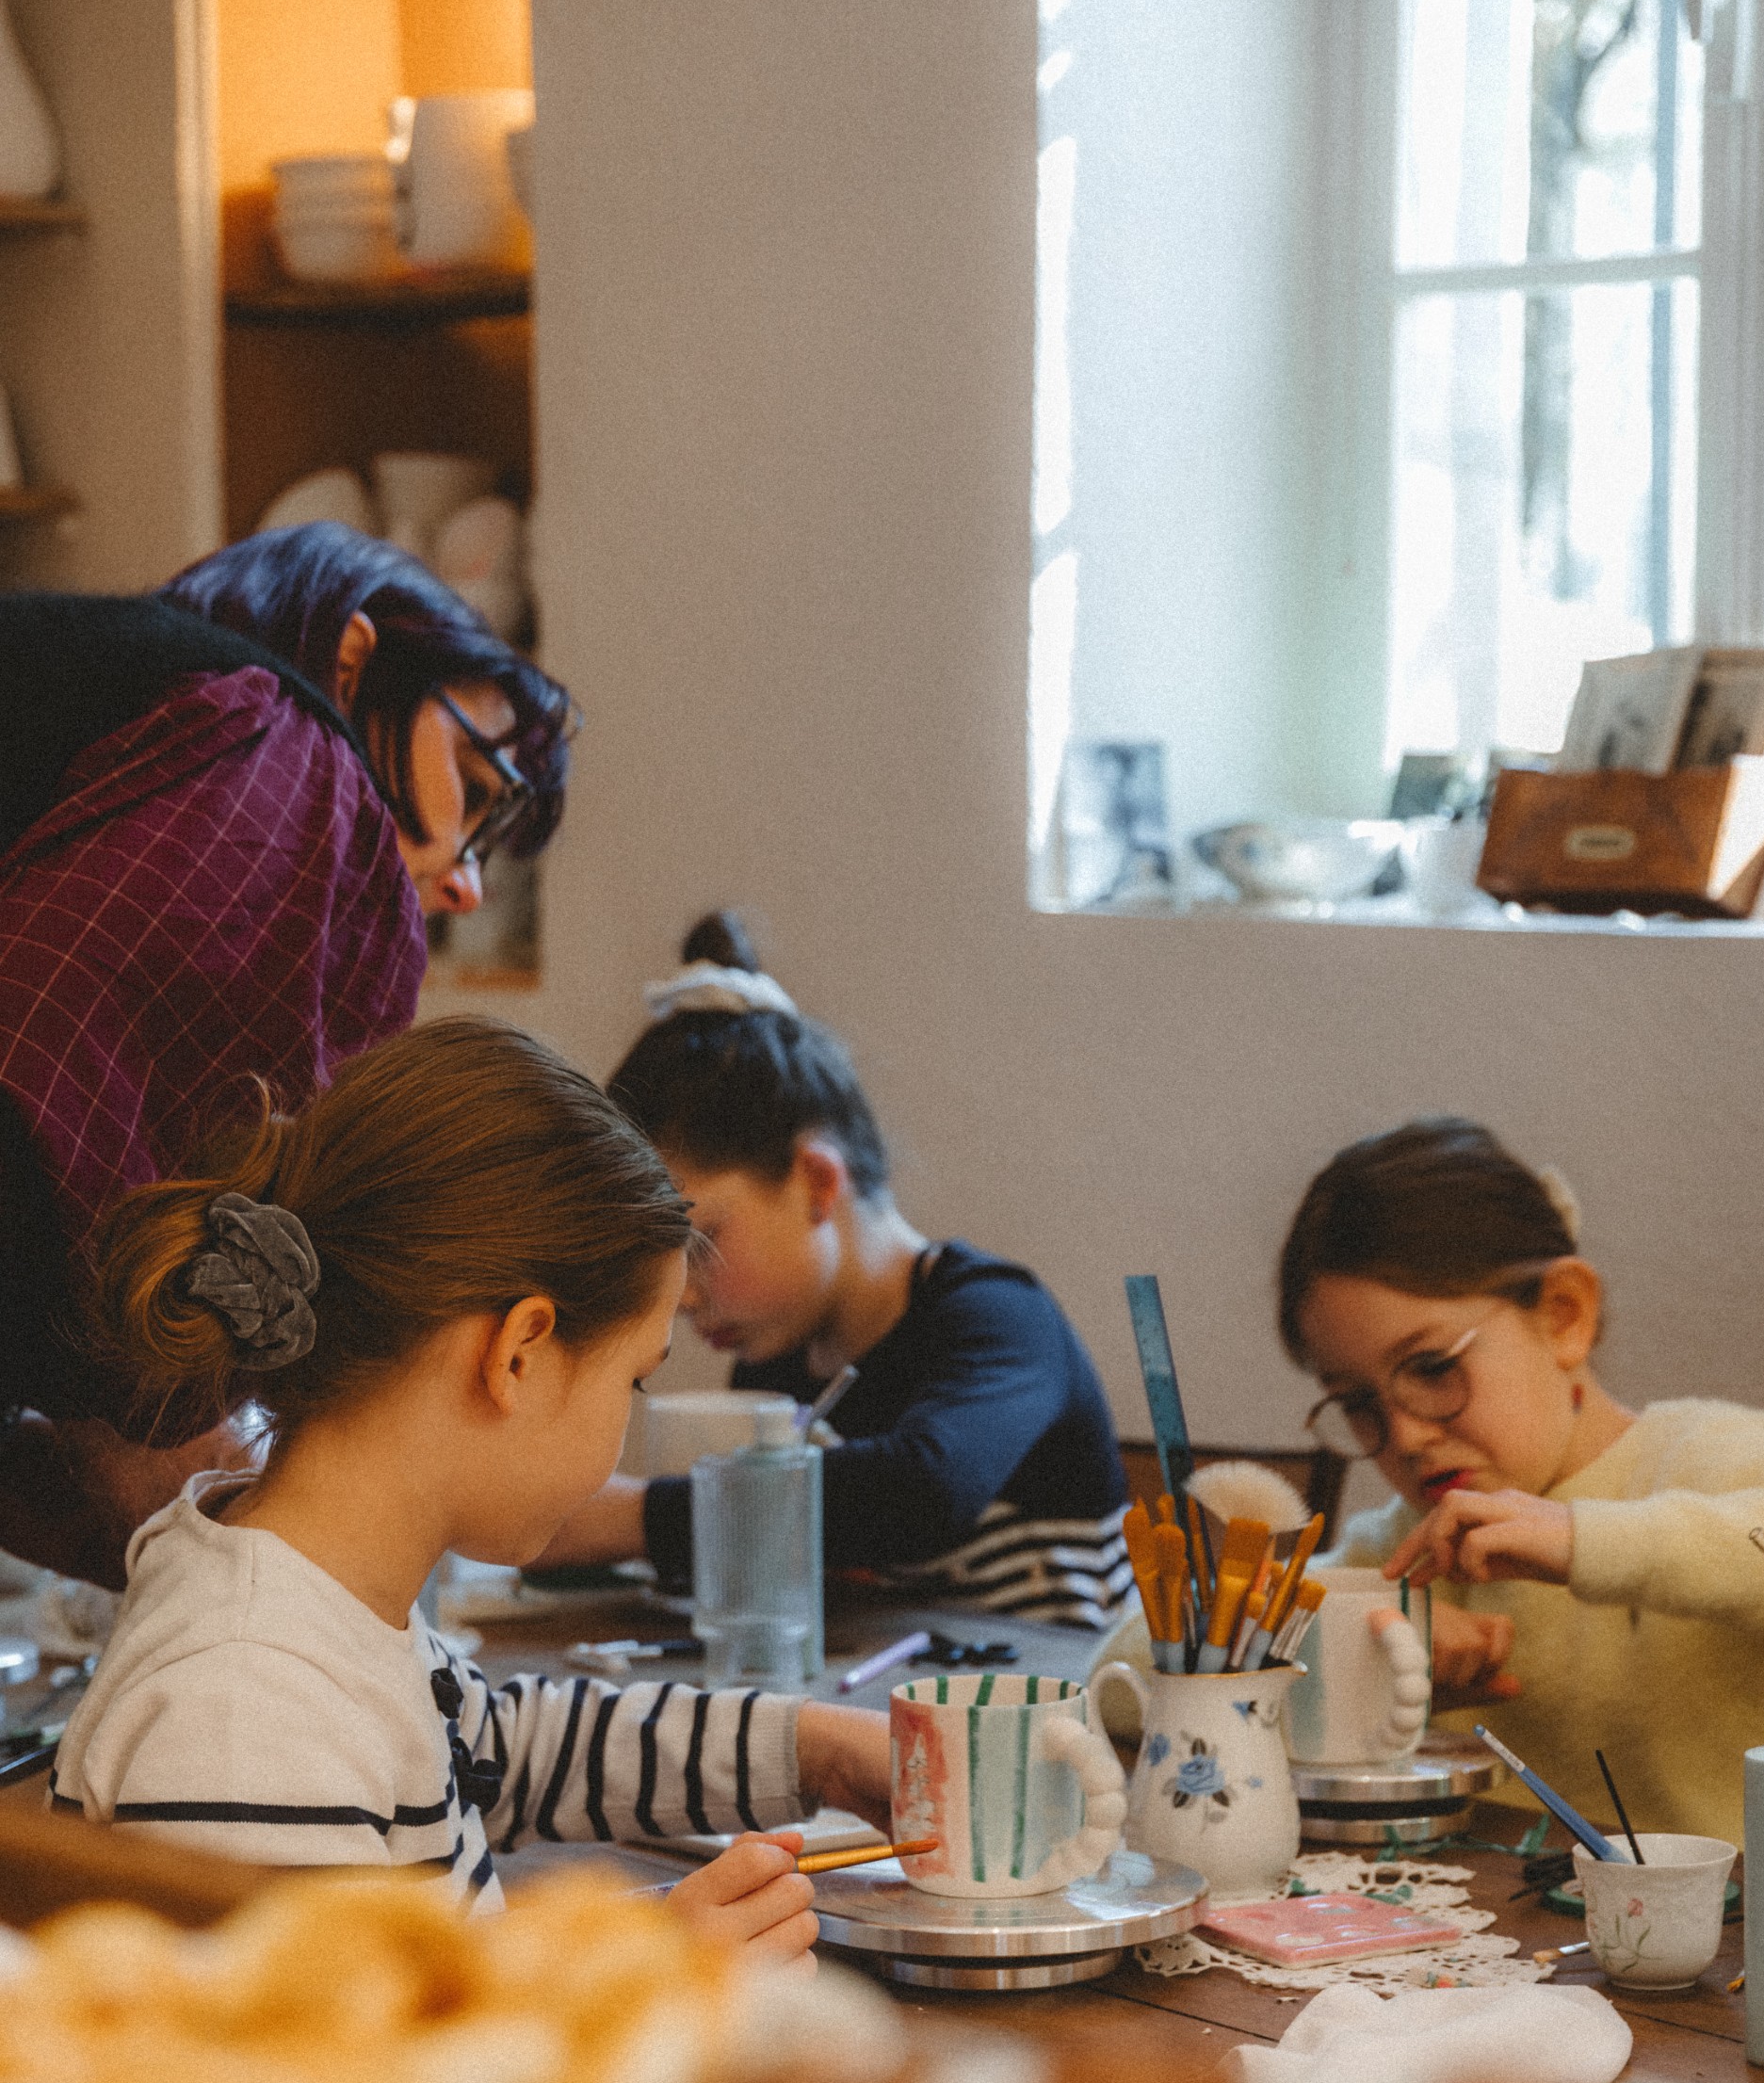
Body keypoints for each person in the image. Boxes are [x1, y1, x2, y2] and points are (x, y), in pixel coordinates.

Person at [53, 1015, 891, 1955]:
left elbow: (511, 1752)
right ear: (520, 1352)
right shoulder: (250, 1716)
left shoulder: (328, 1606)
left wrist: (812, 1747)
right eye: (635, 1378)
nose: (629, 1416)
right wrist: (648, 1976)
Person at [0, 525, 576, 1586]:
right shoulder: (284, 738)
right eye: (473, 784)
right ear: (353, 661)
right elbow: (50, 1102)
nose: (464, 884)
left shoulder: (116, 705)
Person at [542, 914, 1132, 1629]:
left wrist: (630, 1517)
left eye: (700, 1242)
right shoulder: (777, 1363)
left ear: (818, 1183)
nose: (681, 1297)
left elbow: (924, 1490)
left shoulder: (996, 1315)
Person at [1279, 1114, 1764, 1844]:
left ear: (1564, 1317)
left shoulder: (1730, 1464)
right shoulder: (1409, 1550)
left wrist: (1585, 1539)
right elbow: (1128, 1667)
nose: (1404, 1435)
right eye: (1358, 1404)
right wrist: (1353, 1653)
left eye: (1433, 1368)